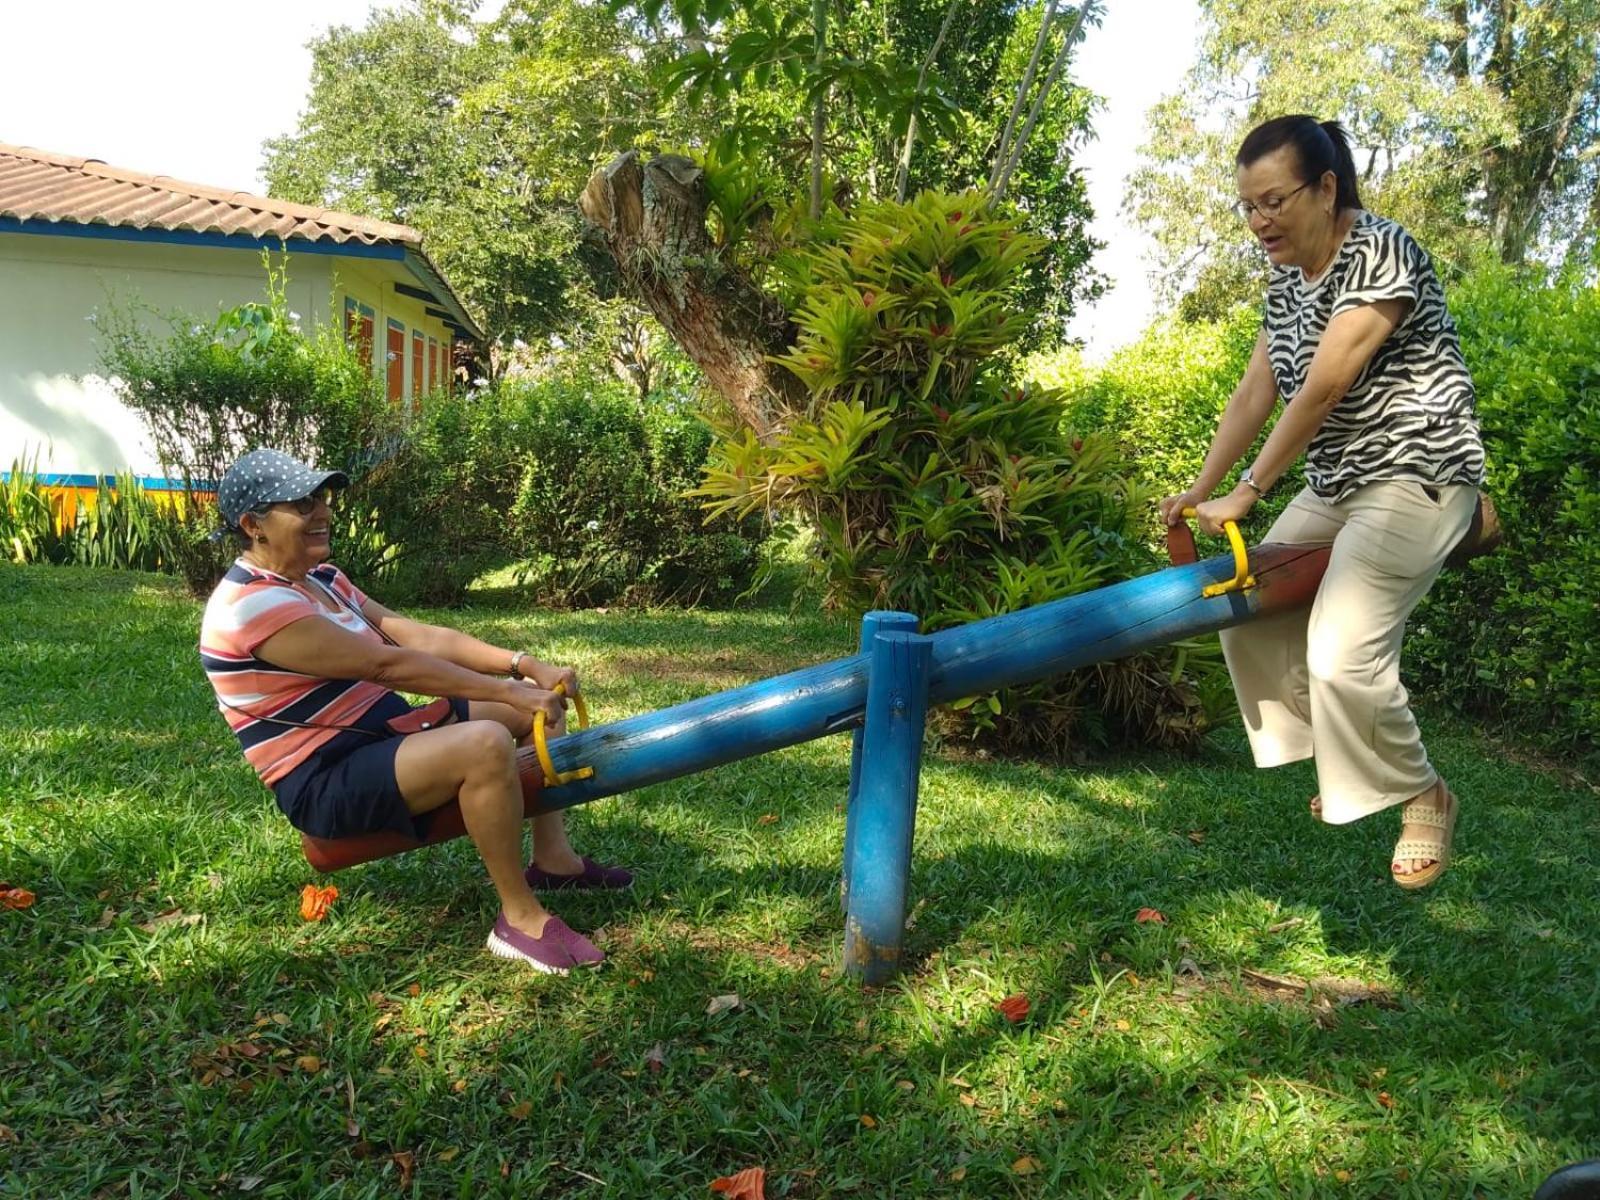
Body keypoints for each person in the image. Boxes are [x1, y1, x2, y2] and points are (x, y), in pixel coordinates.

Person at [1159, 115, 1485, 890]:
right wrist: (1201, 488)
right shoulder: (1285, 287)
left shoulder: (1380, 249)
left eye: (1273, 200)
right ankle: (1348, 764)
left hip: (1418, 470)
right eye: (1247, 206)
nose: (1258, 220)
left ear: (1326, 187)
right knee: (1249, 611)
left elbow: (1326, 385)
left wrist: (1249, 490)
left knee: (1342, 653)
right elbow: (1253, 393)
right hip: (1342, 482)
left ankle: (1424, 794)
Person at [200, 447, 632, 974]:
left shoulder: (322, 580)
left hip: (381, 735)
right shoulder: (251, 606)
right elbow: (386, 666)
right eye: (301, 504)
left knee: (534, 716)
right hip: (326, 779)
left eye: (322, 497)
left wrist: (523, 665)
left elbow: (417, 636)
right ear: (253, 526)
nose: (322, 512)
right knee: (484, 744)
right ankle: (519, 919)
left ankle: (555, 862)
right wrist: (508, 691)